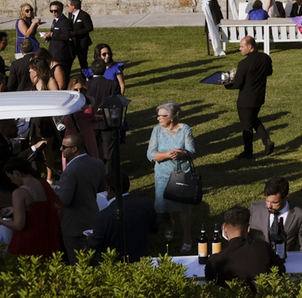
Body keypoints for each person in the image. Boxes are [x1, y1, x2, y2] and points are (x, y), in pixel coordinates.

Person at [147, 101, 197, 251]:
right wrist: (169, 154)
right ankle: (170, 224)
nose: (159, 118)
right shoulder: (157, 131)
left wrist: (181, 154)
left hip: (182, 174)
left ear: (173, 117)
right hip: (162, 174)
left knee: (183, 207)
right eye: (158, 115)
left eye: (163, 116)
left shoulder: (185, 130)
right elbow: (151, 154)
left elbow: (191, 152)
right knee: (162, 207)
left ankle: (187, 237)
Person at [0, 156, 63, 257]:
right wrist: (16, 208)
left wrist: (0, 221)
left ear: (16, 173)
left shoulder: (19, 192)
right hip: (44, 236)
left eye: (10, 177)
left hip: (27, 238)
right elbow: (39, 207)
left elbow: (18, 225)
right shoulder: (42, 183)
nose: (11, 181)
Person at [54, 132, 107, 262]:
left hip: (74, 226)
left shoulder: (70, 172)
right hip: (93, 217)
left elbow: (64, 201)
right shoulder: (98, 163)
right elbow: (101, 189)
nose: (61, 149)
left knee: (78, 263)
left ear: (74, 149)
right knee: (94, 259)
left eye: (64, 147)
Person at [204, 205, 284, 289]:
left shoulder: (214, 261)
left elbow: (210, 286)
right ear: (248, 229)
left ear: (224, 229)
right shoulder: (263, 248)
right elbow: (280, 270)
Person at [87, 171, 158, 263]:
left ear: (109, 190)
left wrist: (90, 238)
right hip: (142, 260)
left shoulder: (103, 216)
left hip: (116, 264)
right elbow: (155, 229)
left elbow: (94, 247)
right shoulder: (145, 204)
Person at [227, 36, 274, 158]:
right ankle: (266, 141)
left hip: (246, 101)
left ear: (250, 47)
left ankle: (248, 152)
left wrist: (226, 84)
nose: (240, 49)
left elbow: (237, 84)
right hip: (259, 97)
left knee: (247, 127)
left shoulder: (244, 64)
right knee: (253, 119)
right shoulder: (265, 58)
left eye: (242, 47)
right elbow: (269, 72)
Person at [247, 175, 302, 251]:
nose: (269, 206)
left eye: (274, 202)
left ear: (286, 198)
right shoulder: (254, 209)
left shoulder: (300, 216)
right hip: (257, 260)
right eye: (267, 200)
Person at [85, 58, 120, 166]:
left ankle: (92, 172)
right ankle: (108, 175)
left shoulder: (87, 85)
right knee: (108, 152)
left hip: (90, 120)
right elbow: (117, 102)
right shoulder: (112, 84)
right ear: (105, 69)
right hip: (107, 121)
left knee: (91, 150)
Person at [44, 0, 73, 79]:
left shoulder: (65, 22)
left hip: (62, 54)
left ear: (61, 10)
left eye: (55, 11)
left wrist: (52, 34)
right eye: (51, 11)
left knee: (62, 77)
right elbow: (55, 34)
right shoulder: (55, 20)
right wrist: (47, 37)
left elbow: (66, 36)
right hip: (53, 53)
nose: (53, 13)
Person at [67, 0, 93, 71]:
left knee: (83, 62)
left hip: (82, 44)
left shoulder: (84, 15)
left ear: (73, 6)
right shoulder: (70, 15)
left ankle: (85, 77)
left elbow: (89, 28)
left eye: (68, 5)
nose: (67, 7)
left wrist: (76, 33)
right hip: (72, 43)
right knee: (69, 61)